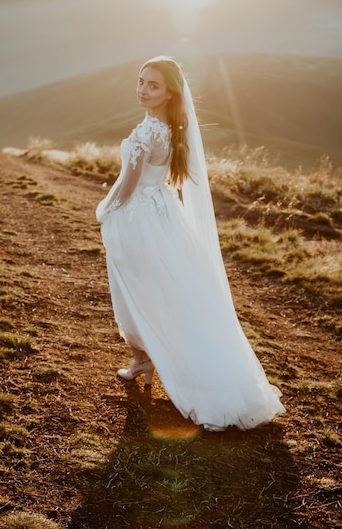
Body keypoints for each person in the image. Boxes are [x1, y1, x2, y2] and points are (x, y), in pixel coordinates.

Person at [96, 56, 285, 431]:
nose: (142, 89)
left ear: (169, 93)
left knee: (136, 291)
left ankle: (146, 360)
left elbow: (128, 186)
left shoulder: (148, 133)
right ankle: (142, 361)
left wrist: (105, 209)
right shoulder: (171, 129)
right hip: (164, 215)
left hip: (139, 219)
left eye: (152, 85)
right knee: (166, 292)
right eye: (140, 81)